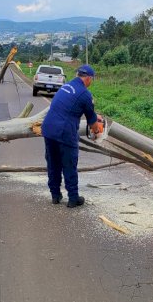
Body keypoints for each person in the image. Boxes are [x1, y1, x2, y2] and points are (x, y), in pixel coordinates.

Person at [41, 64, 103, 207]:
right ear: (88, 78)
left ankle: (55, 195)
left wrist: (94, 115)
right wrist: (97, 129)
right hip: (64, 132)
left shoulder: (65, 87)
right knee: (69, 164)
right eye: (91, 80)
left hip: (49, 129)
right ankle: (73, 198)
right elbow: (93, 124)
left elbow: (73, 107)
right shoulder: (85, 94)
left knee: (53, 163)